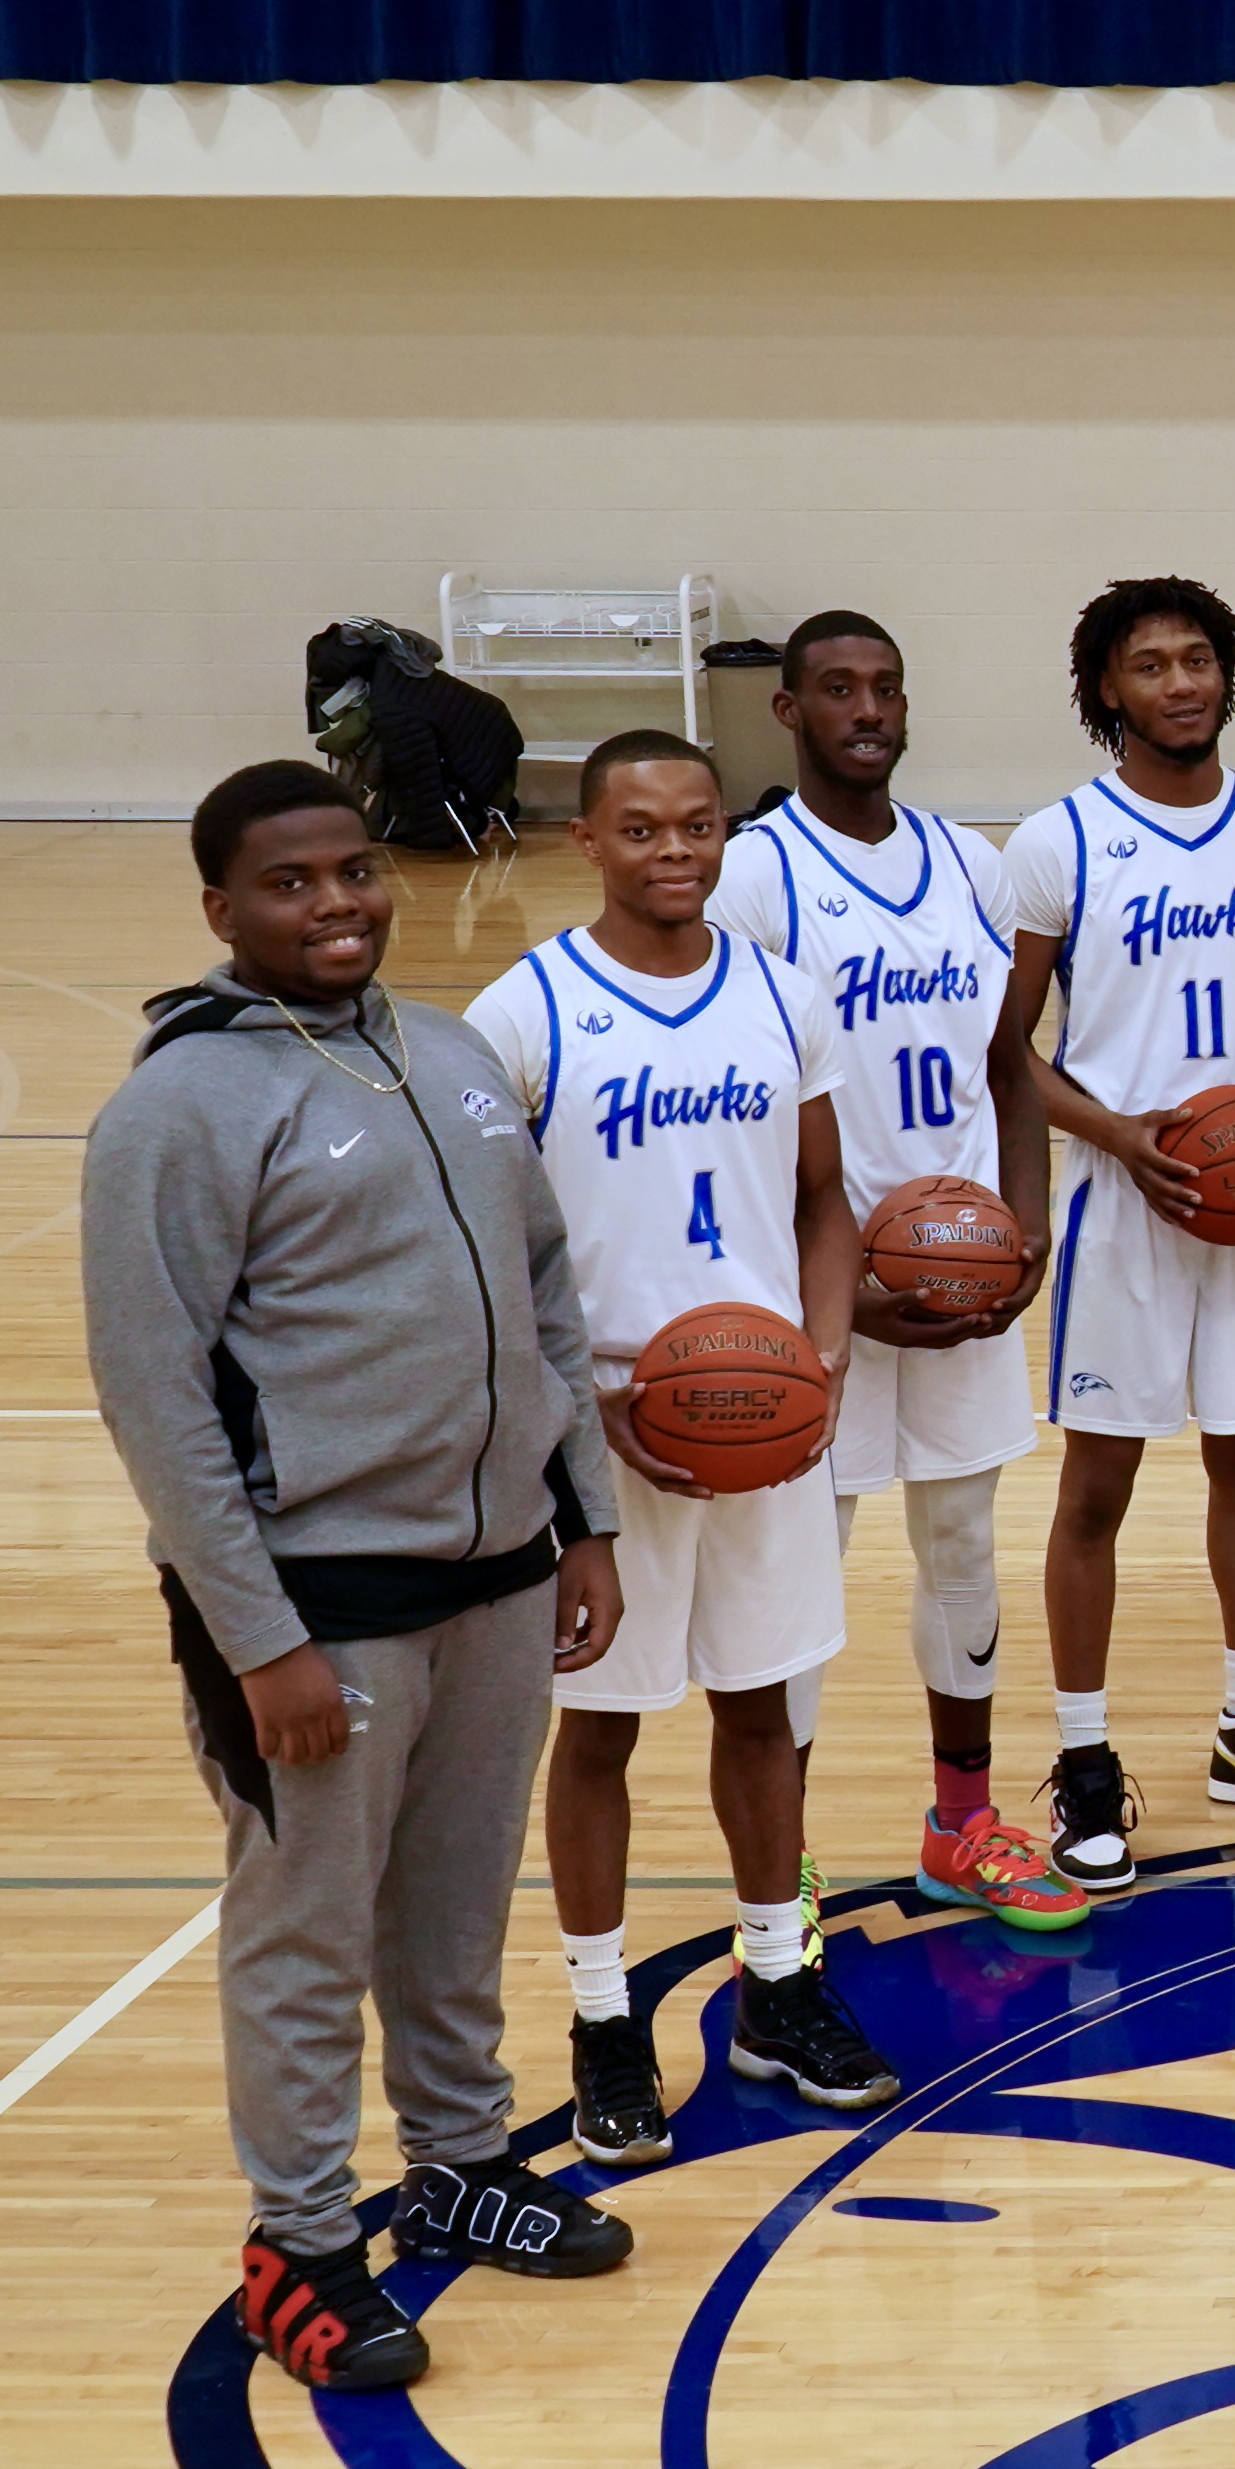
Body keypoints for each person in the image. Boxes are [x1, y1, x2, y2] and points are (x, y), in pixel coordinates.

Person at [87, 760, 634, 2390]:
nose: (335, 905)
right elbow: (155, 1393)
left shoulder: (450, 1052)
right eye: (291, 883)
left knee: (458, 1909)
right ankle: (302, 2239)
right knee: (308, 1935)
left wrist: (584, 1513)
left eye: (352, 873)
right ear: (221, 911)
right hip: (321, 1607)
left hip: (501, 1575)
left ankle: (460, 2162)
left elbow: (543, 1296)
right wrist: (258, 1640)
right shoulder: (178, 1108)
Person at [466, 732, 901, 2170]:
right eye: (641, 828)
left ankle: (777, 1979)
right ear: (583, 841)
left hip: (762, 1416)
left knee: (763, 1709)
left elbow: (828, 1199)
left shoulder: (782, 996)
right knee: (599, 1729)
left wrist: (821, 1358)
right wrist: (578, 1417)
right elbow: (480, 1255)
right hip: (603, 1444)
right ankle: (601, 2015)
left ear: (727, 835)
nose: (674, 850)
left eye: (698, 825)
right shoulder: (522, 1015)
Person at [990, 577, 1235, 1893]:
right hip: (1126, 1208)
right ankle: (1087, 1761)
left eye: (1198, 660)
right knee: (1096, 1492)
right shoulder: (1058, 845)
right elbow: (1007, 1053)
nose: (1180, 683)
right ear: (1106, 689)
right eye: (1150, 665)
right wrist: (1117, 1139)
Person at [723, 612, 1083, 1932]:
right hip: (824, 1284)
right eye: (835, 689)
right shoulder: (757, 877)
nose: (864, 709)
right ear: (789, 712)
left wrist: (1027, 1226)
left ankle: (963, 1823)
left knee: (962, 1541)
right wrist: (831, 1289)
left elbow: (1012, 1063)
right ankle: (786, 1857)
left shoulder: (968, 863)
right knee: (797, 1566)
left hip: (961, 1271)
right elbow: (737, 1091)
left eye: (883, 687)